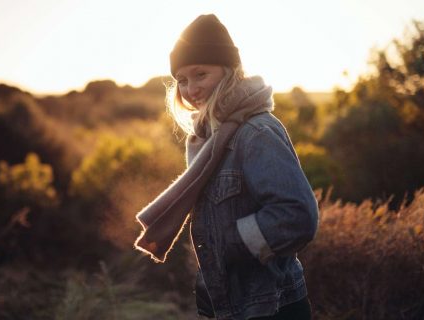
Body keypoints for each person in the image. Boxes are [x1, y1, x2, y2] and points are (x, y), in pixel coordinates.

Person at [134, 14, 319, 320]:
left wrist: (232, 243)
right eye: (182, 79)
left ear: (229, 70)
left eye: (200, 74)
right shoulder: (207, 138)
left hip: (270, 307)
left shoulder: (256, 132)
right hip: (226, 306)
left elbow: (297, 215)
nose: (190, 88)